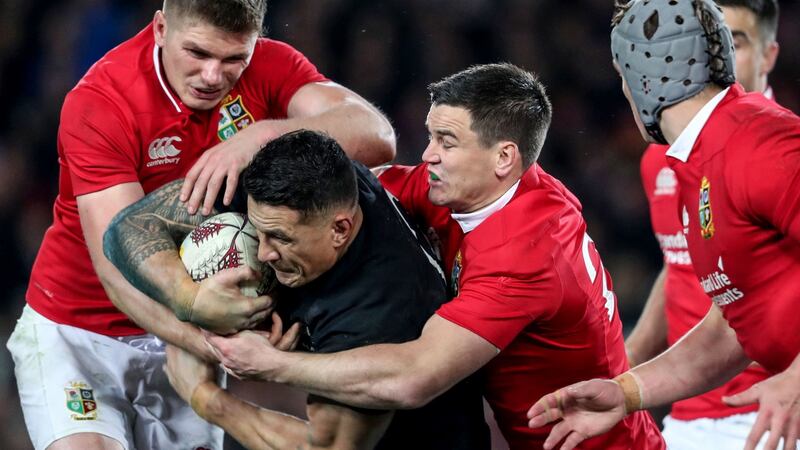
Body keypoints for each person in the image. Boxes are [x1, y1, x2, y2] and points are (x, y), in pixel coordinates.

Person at [192, 63, 665, 449]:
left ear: (504, 158)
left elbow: (413, 378)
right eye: (431, 136)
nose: (428, 155)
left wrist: (270, 365)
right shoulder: (470, 189)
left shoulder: (526, 253)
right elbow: (352, 193)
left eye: (446, 141)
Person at [5, 0, 395, 448]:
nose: (213, 76)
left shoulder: (269, 65)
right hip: (81, 334)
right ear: (161, 28)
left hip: (186, 342)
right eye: (197, 53)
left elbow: (377, 135)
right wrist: (221, 342)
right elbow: (119, 270)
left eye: (233, 59)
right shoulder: (103, 99)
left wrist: (262, 136)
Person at [103, 129, 490, 450]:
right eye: (258, 230)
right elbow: (128, 228)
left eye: (281, 239)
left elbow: (324, 446)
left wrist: (205, 396)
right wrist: (191, 300)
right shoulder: (317, 182)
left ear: (340, 230)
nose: (264, 252)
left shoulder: (377, 314)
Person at [528, 1, 800, 450]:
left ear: (640, 81)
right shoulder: (700, 155)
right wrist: (625, 392)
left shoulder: (762, 143)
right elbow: (731, 329)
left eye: (622, 78)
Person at [624, 1, 779, 448]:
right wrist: (624, 366)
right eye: (711, 42)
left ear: (768, 56)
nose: (720, 57)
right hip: (688, 413)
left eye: (737, 43)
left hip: (769, 416)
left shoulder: (779, 153)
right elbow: (680, 266)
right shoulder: (660, 158)